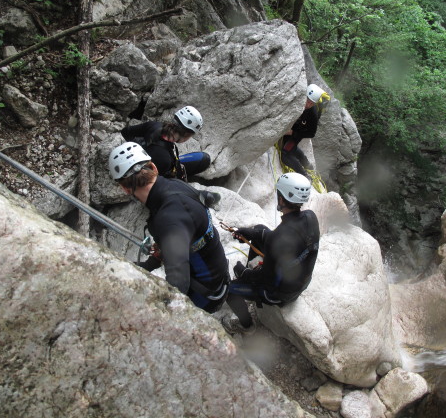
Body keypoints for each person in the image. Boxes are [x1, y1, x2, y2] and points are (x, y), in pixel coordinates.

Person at [108, 141, 229, 313]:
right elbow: (208, 200)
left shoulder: (169, 220)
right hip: (218, 274)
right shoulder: (176, 185)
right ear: (154, 167)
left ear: (124, 188)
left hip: (205, 295)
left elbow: (179, 284)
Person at [221, 172, 320, 334]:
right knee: (259, 229)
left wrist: (244, 273)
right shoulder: (310, 217)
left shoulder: (278, 238)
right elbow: (278, 240)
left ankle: (247, 326)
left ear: (281, 199)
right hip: (301, 279)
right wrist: (249, 233)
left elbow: (266, 279)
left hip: (279, 293)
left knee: (228, 290)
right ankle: (248, 278)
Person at [121, 105, 211, 182]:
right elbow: (159, 184)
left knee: (204, 158)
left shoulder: (154, 126)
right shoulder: (164, 160)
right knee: (203, 160)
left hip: (149, 162)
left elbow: (125, 132)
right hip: (162, 173)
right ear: (186, 134)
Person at [279, 84, 330, 179]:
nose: (308, 105)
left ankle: (305, 175)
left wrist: (292, 133)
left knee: (285, 155)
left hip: (298, 132)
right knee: (292, 148)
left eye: (311, 103)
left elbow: (311, 133)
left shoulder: (313, 113)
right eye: (307, 101)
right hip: (293, 126)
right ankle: (307, 164)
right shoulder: (297, 99)